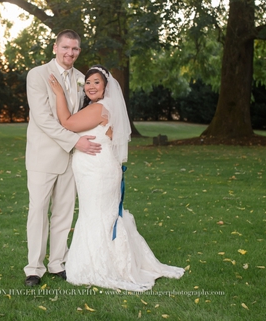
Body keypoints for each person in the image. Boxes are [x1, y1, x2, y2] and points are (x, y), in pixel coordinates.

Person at [48, 65, 184, 291]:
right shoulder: (101, 107)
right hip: (96, 170)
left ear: (106, 86)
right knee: (99, 214)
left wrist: (59, 94)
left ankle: (105, 266)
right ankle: (111, 260)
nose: (90, 86)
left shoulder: (101, 107)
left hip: (98, 172)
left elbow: (68, 123)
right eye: (88, 82)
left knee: (97, 215)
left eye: (96, 82)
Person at [23, 29, 102, 287]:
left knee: (64, 213)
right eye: (66, 47)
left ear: (79, 51)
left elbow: (83, 116)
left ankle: (57, 263)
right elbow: (43, 119)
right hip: (43, 156)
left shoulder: (82, 79)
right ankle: (34, 268)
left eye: (75, 49)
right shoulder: (37, 75)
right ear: (55, 47)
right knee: (38, 211)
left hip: (72, 158)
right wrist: (74, 140)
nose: (70, 53)